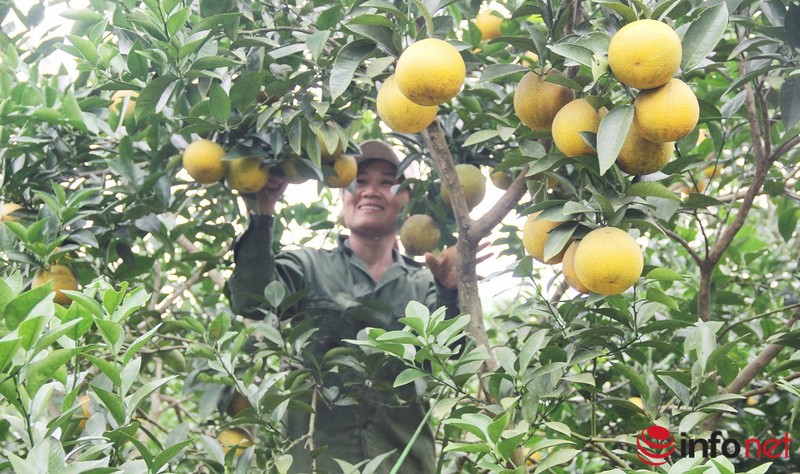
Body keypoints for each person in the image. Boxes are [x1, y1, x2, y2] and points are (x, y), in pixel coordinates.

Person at [226, 140, 464, 473]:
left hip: (405, 465)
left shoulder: (425, 283)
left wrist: (451, 291)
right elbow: (250, 301)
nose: (371, 191)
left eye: (386, 182)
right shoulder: (306, 267)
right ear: (342, 195)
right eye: (360, 180)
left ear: (405, 198)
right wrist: (262, 209)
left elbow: (452, 354)